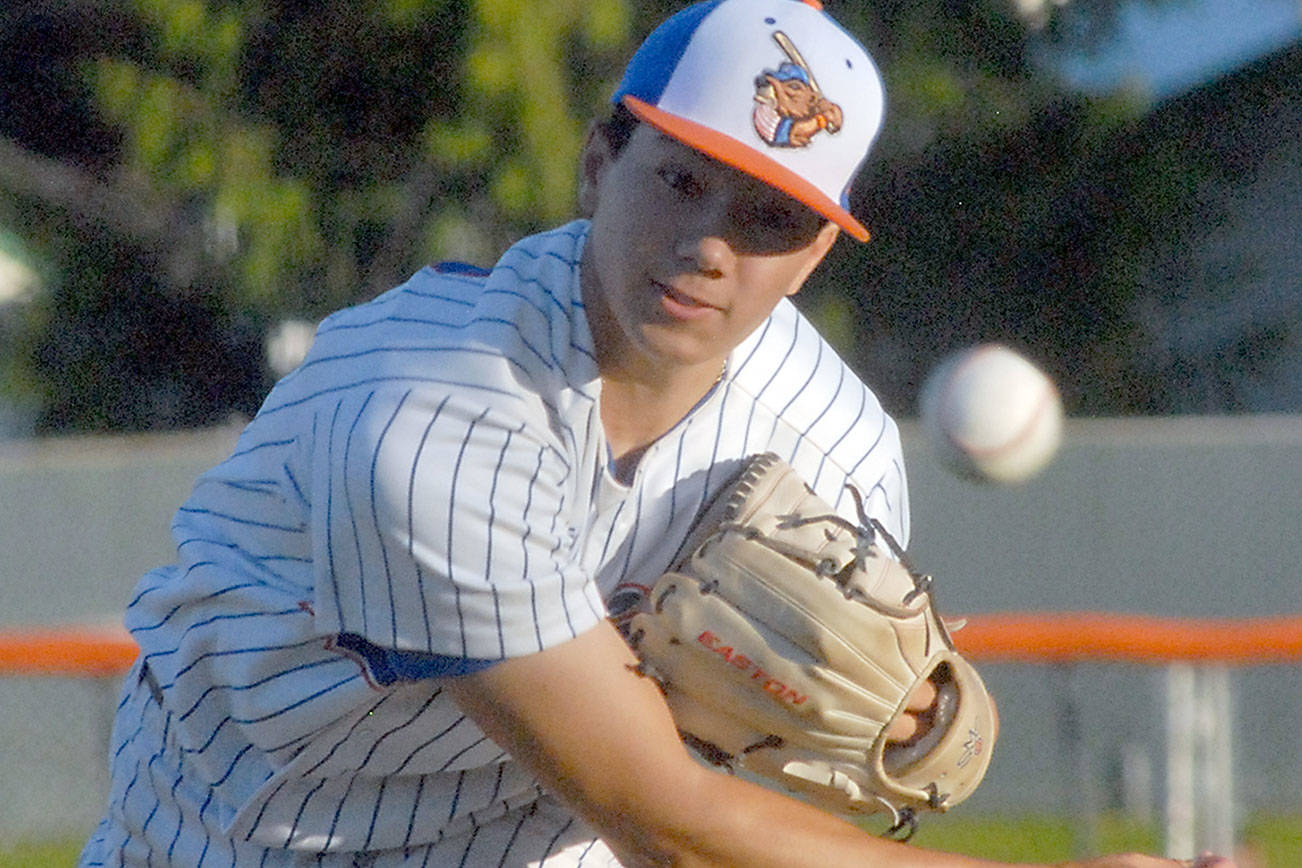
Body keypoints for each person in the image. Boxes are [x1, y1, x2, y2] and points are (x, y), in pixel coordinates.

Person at [80, 1, 1236, 866]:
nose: (712, 247)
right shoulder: (432, 415)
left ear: (819, 253)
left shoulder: (828, 445)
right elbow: (665, 813)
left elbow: (742, 818)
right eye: (683, 182)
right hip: (235, 836)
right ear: (600, 163)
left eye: (772, 218)